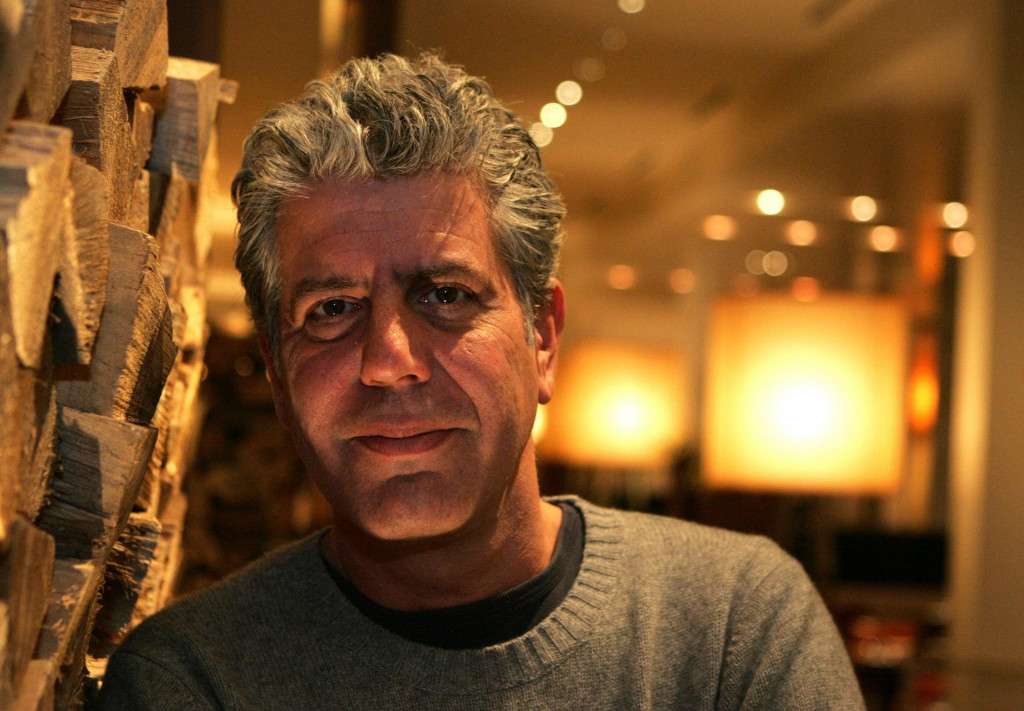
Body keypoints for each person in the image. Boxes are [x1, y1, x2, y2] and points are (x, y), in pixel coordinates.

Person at [95, 53, 866, 710]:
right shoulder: (194, 681)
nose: (389, 358)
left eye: (445, 295)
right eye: (332, 309)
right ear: (277, 374)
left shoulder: (733, 628)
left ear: (542, 338)